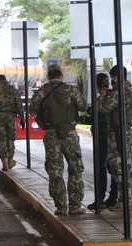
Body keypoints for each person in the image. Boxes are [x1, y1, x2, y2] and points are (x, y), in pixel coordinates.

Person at [29, 68, 88, 216]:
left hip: (51, 135)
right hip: (69, 133)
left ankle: (61, 206)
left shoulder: (42, 91)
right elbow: (83, 106)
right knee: (75, 168)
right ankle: (75, 205)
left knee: (55, 171)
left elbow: (32, 110)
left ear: (48, 77)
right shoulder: (71, 90)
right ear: (61, 76)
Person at [97, 65, 132, 212]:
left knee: (118, 167)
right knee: (127, 166)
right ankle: (126, 200)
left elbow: (102, 108)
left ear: (115, 77)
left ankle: (126, 201)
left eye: (112, 78)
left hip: (117, 133)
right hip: (127, 131)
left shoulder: (117, 93)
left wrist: (102, 97)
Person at [81, 73, 118, 210]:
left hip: (104, 137)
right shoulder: (112, 96)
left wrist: (80, 119)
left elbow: (98, 117)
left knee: (101, 167)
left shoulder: (104, 100)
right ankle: (113, 196)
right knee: (111, 166)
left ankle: (101, 198)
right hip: (109, 137)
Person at [0, 74, 25, 171]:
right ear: (5, 80)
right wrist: (22, 119)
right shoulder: (12, 90)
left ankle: (4, 164)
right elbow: (19, 105)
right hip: (10, 117)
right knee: (10, 138)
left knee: (1, 139)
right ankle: (10, 161)